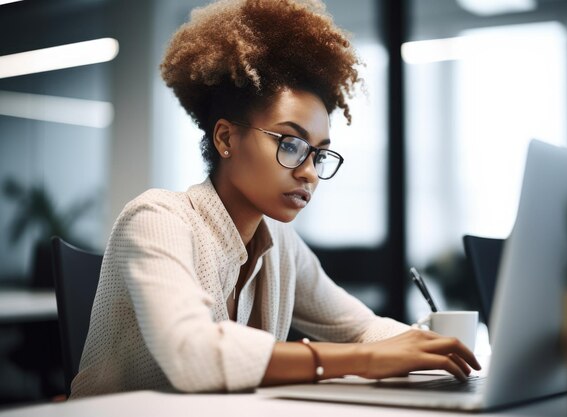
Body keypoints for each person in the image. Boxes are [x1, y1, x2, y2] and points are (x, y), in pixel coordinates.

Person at [70, 0, 480, 398]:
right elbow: (193, 355)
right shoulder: (157, 218)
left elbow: (362, 329)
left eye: (319, 153)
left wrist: (442, 350)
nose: (309, 171)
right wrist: (361, 359)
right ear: (226, 138)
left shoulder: (280, 246)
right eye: (291, 143)